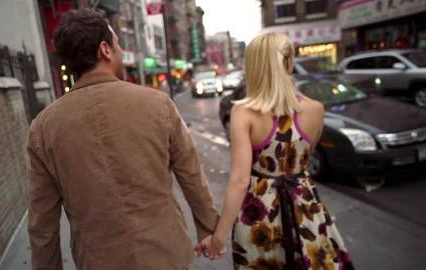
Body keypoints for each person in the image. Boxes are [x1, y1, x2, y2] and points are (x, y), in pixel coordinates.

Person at [27, 9, 219, 270]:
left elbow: (42, 220)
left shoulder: (43, 127)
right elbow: (191, 174)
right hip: (165, 254)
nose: (119, 50)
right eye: (117, 43)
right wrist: (209, 229)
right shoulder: (157, 104)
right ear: (105, 49)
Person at [198, 32, 355, 269]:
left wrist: (218, 238)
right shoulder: (316, 109)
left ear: (252, 67)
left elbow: (240, 181)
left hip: (260, 214)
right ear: (289, 62)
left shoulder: (243, 112)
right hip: (306, 208)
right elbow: (303, 158)